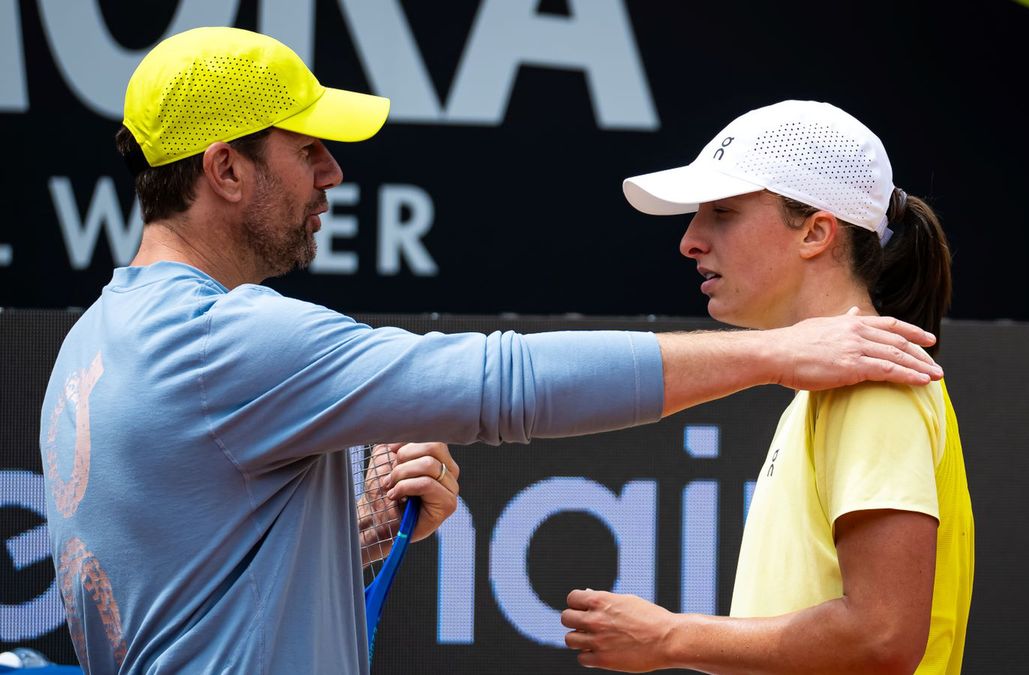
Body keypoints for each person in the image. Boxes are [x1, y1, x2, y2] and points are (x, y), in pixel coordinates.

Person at [39, 27, 943, 675]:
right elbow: (507, 382)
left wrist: (361, 533)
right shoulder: (223, 340)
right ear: (226, 169)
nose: (332, 173)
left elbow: (195, 601)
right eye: (307, 149)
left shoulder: (92, 348)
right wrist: (780, 352)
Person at [562, 101, 975, 673]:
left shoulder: (873, 384)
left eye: (723, 212)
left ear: (816, 232)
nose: (690, 240)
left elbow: (882, 636)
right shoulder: (834, 388)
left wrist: (671, 637)